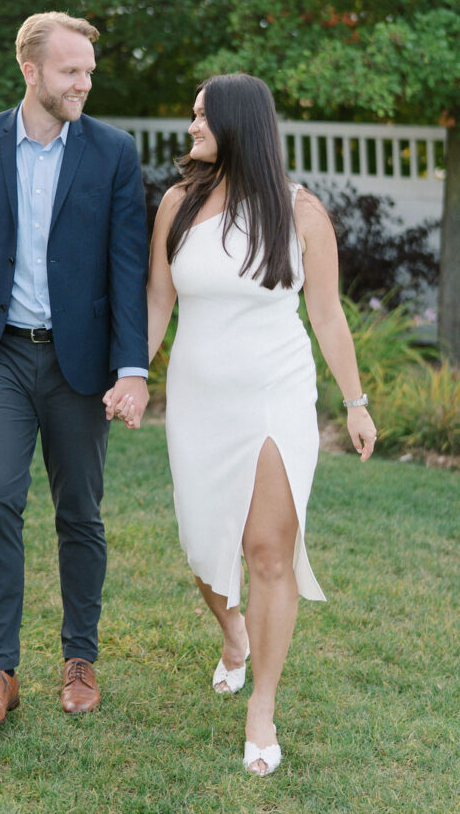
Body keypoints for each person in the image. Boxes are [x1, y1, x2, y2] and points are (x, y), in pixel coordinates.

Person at [107, 73, 376, 775]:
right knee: (204, 548)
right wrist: (133, 375)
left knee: (267, 553)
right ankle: (234, 635)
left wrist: (355, 402)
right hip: (198, 401)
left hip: (274, 398)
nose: (191, 127)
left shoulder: (301, 212)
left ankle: (262, 706)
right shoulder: (177, 205)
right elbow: (158, 302)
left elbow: (327, 315)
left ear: (238, 124)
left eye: (201, 117)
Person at [0, 12, 150, 728]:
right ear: (31, 70)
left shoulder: (114, 152)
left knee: (79, 511)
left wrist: (134, 367)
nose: (83, 82)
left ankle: (79, 659)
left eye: (88, 70)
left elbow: (126, 267)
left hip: (80, 363)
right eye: (70, 70)